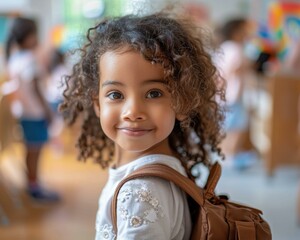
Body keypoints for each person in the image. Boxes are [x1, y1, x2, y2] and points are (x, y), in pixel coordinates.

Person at [60, 12, 225, 239]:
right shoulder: (167, 164)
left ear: (181, 101)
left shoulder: (140, 192)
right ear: (97, 104)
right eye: (116, 94)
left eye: (153, 93)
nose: (133, 112)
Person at [5, 17, 60, 201]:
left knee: (31, 150)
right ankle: (34, 187)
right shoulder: (30, 60)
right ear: (29, 37)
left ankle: (32, 183)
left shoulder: (14, 58)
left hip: (23, 112)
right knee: (35, 151)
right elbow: (37, 89)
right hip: (35, 113)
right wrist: (49, 112)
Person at [214, 18, 258, 170]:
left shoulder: (225, 47)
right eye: (246, 30)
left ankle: (226, 155)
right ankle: (231, 155)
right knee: (236, 126)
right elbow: (234, 71)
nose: (249, 33)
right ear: (237, 31)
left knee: (226, 125)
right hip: (233, 95)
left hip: (224, 95)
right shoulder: (236, 49)